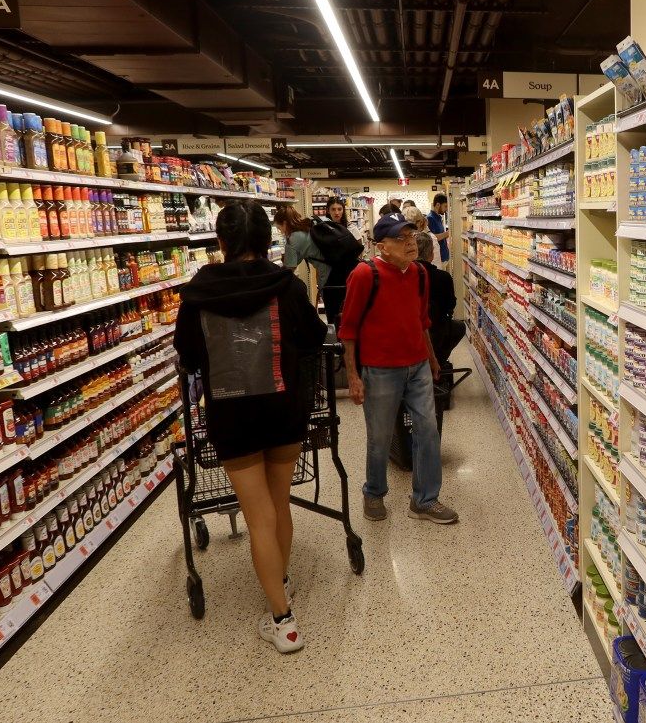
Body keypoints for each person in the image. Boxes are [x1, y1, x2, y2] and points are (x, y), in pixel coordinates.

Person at [174, 200, 327, 654]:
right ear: (266, 239)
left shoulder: (198, 294)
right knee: (279, 505)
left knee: (257, 514)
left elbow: (189, 354)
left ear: (221, 241)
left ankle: (283, 620)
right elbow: (314, 338)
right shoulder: (287, 285)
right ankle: (280, 579)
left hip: (232, 415)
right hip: (284, 408)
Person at [338, 212, 459, 525]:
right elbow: (348, 329)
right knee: (380, 437)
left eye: (411, 236)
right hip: (380, 371)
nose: (409, 243)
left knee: (428, 431)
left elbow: (422, 321)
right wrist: (353, 376)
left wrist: (432, 359)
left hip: (417, 366)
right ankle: (374, 492)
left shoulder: (419, 273)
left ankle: (424, 500)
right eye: (400, 238)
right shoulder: (365, 275)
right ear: (382, 247)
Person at [416, 231, 465, 364]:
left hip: (412, 335)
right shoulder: (443, 277)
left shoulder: (405, 276)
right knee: (460, 327)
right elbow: (451, 305)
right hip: (438, 330)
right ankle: (440, 360)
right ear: (431, 254)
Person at [274, 205, 330, 302]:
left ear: (285, 224)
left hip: (328, 278)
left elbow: (289, 269)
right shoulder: (309, 224)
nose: (281, 232)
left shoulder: (292, 240)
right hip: (342, 268)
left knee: (333, 309)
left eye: (279, 228)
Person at [319, 196, 351, 325]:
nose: (337, 212)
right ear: (328, 210)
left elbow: (357, 252)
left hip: (348, 274)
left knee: (348, 309)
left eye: (339, 209)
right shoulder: (323, 228)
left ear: (343, 210)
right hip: (329, 275)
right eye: (333, 209)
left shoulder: (351, 228)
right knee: (332, 312)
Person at [428, 193, 450, 268]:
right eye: (445, 206)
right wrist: (447, 233)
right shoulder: (430, 218)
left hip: (443, 256)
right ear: (438, 205)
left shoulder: (438, 218)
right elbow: (432, 238)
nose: (446, 209)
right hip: (438, 258)